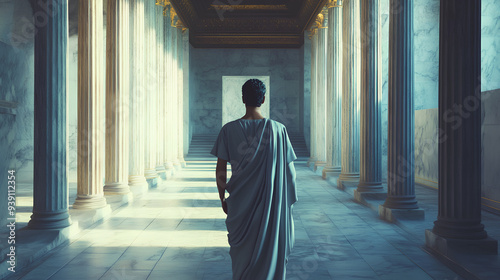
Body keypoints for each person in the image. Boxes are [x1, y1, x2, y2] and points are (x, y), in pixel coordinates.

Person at [210, 79, 298, 280]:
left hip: (240, 205)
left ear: (243, 99)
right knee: (270, 250)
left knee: (242, 258)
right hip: (271, 205)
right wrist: (287, 202)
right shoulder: (278, 130)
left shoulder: (228, 130)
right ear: (263, 99)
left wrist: (222, 197)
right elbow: (290, 173)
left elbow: (220, 169)